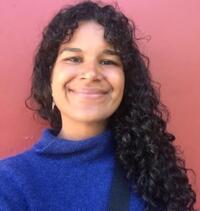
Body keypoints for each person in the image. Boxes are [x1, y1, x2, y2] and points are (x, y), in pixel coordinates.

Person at [0, 1, 196, 210]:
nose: (91, 73)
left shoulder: (152, 171)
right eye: (74, 58)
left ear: (125, 81)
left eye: (107, 61)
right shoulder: (11, 183)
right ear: (49, 78)